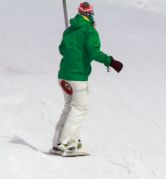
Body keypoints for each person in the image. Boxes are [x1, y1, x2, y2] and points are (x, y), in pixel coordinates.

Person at [51, 2, 124, 156]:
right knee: (79, 108)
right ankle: (68, 143)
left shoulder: (69, 30)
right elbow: (94, 53)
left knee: (69, 107)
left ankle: (58, 143)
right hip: (77, 77)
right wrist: (111, 61)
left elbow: (62, 49)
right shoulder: (89, 31)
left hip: (63, 76)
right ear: (90, 15)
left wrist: (71, 44)